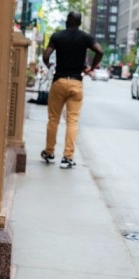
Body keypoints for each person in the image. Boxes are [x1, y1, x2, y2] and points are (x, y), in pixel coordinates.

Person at [40, 10, 103, 169]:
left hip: (59, 81)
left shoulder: (57, 36)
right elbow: (99, 51)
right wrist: (92, 68)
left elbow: (46, 55)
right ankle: (67, 157)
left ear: (67, 21)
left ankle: (49, 152)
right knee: (72, 121)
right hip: (76, 83)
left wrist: (48, 65)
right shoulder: (86, 38)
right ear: (80, 23)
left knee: (53, 119)